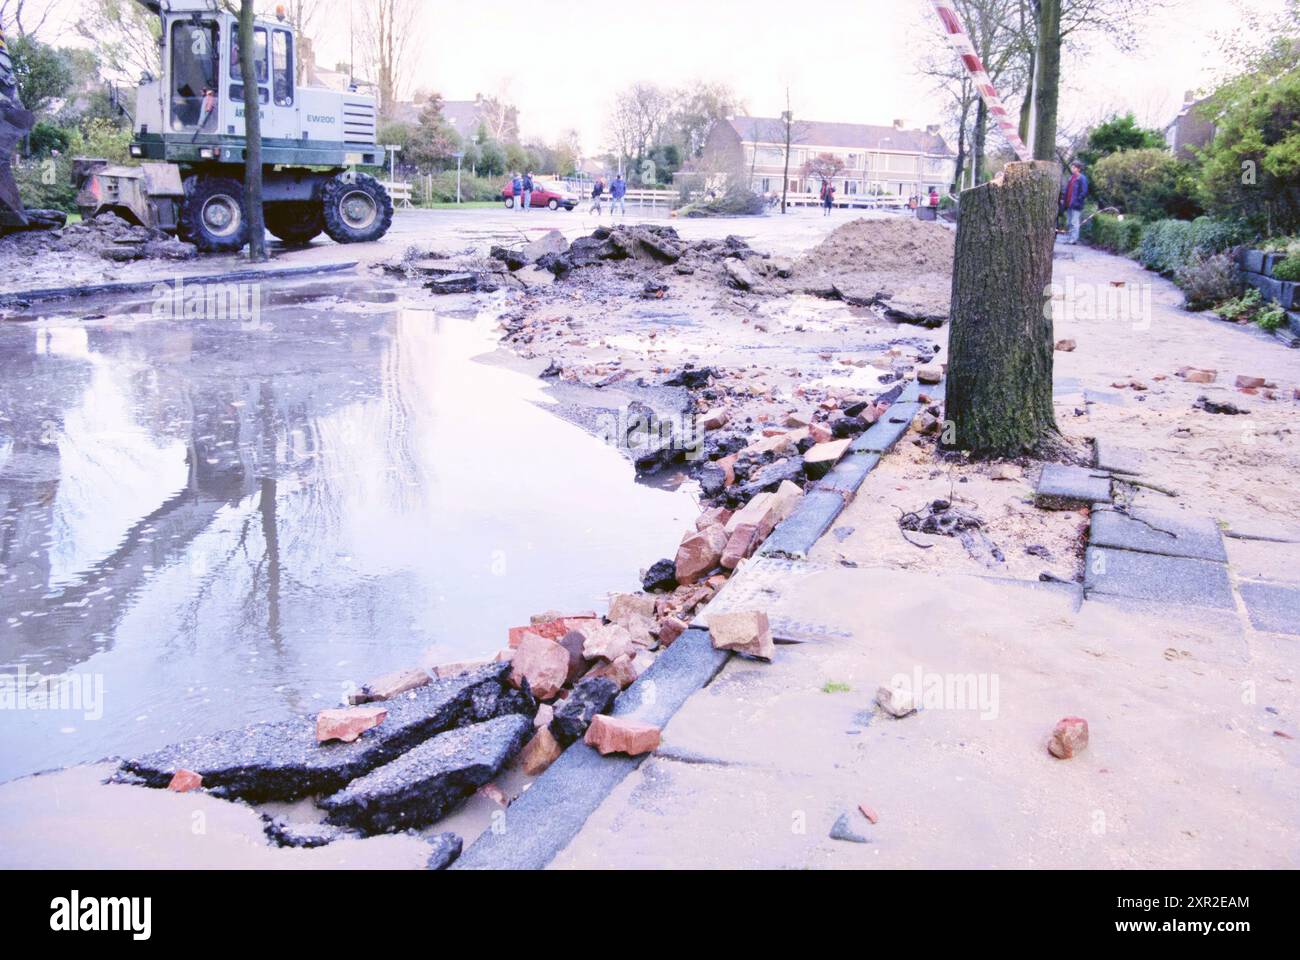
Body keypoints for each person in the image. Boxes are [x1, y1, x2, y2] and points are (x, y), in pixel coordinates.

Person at [1060, 161, 1089, 244]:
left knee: (1074, 222)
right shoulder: (1071, 178)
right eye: (1072, 167)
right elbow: (1067, 190)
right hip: (1069, 204)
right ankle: (1070, 238)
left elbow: (1084, 191)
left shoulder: (1082, 178)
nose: (1072, 169)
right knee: (1069, 222)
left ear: (1078, 169)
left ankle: (1074, 239)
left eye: (1074, 167)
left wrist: (1078, 200)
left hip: (1076, 205)